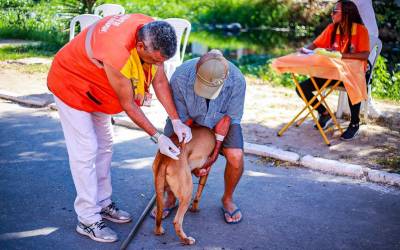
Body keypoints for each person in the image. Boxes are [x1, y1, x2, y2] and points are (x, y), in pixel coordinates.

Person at [47, 14, 192, 243]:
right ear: (140, 45)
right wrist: (157, 136)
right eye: (154, 60)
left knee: (105, 145)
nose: (157, 65)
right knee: (86, 150)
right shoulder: (117, 52)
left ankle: (103, 203)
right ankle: (87, 218)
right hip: (71, 84)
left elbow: (160, 81)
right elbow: (128, 105)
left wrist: (176, 120)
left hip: (98, 89)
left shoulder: (152, 31)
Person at [151, 49, 246, 224]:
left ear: (224, 79)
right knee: (172, 152)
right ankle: (171, 198)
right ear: (196, 70)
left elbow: (227, 119)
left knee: (236, 156)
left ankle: (227, 199)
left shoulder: (237, 80)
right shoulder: (180, 77)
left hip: (221, 121)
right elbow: (181, 120)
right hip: (185, 119)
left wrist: (212, 156)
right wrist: (188, 156)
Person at [298, 0, 370, 140]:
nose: (331, 14)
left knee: (352, 84)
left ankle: (354, 124)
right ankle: (324, 113)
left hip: (354, 74)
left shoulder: (361, 30)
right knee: (301, 88)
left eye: (335, 11)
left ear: (347, 14)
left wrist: (341, 55)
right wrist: (303, 51)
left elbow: (364, 54)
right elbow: (314, 44)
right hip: (332, 72)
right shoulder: (332, 29)